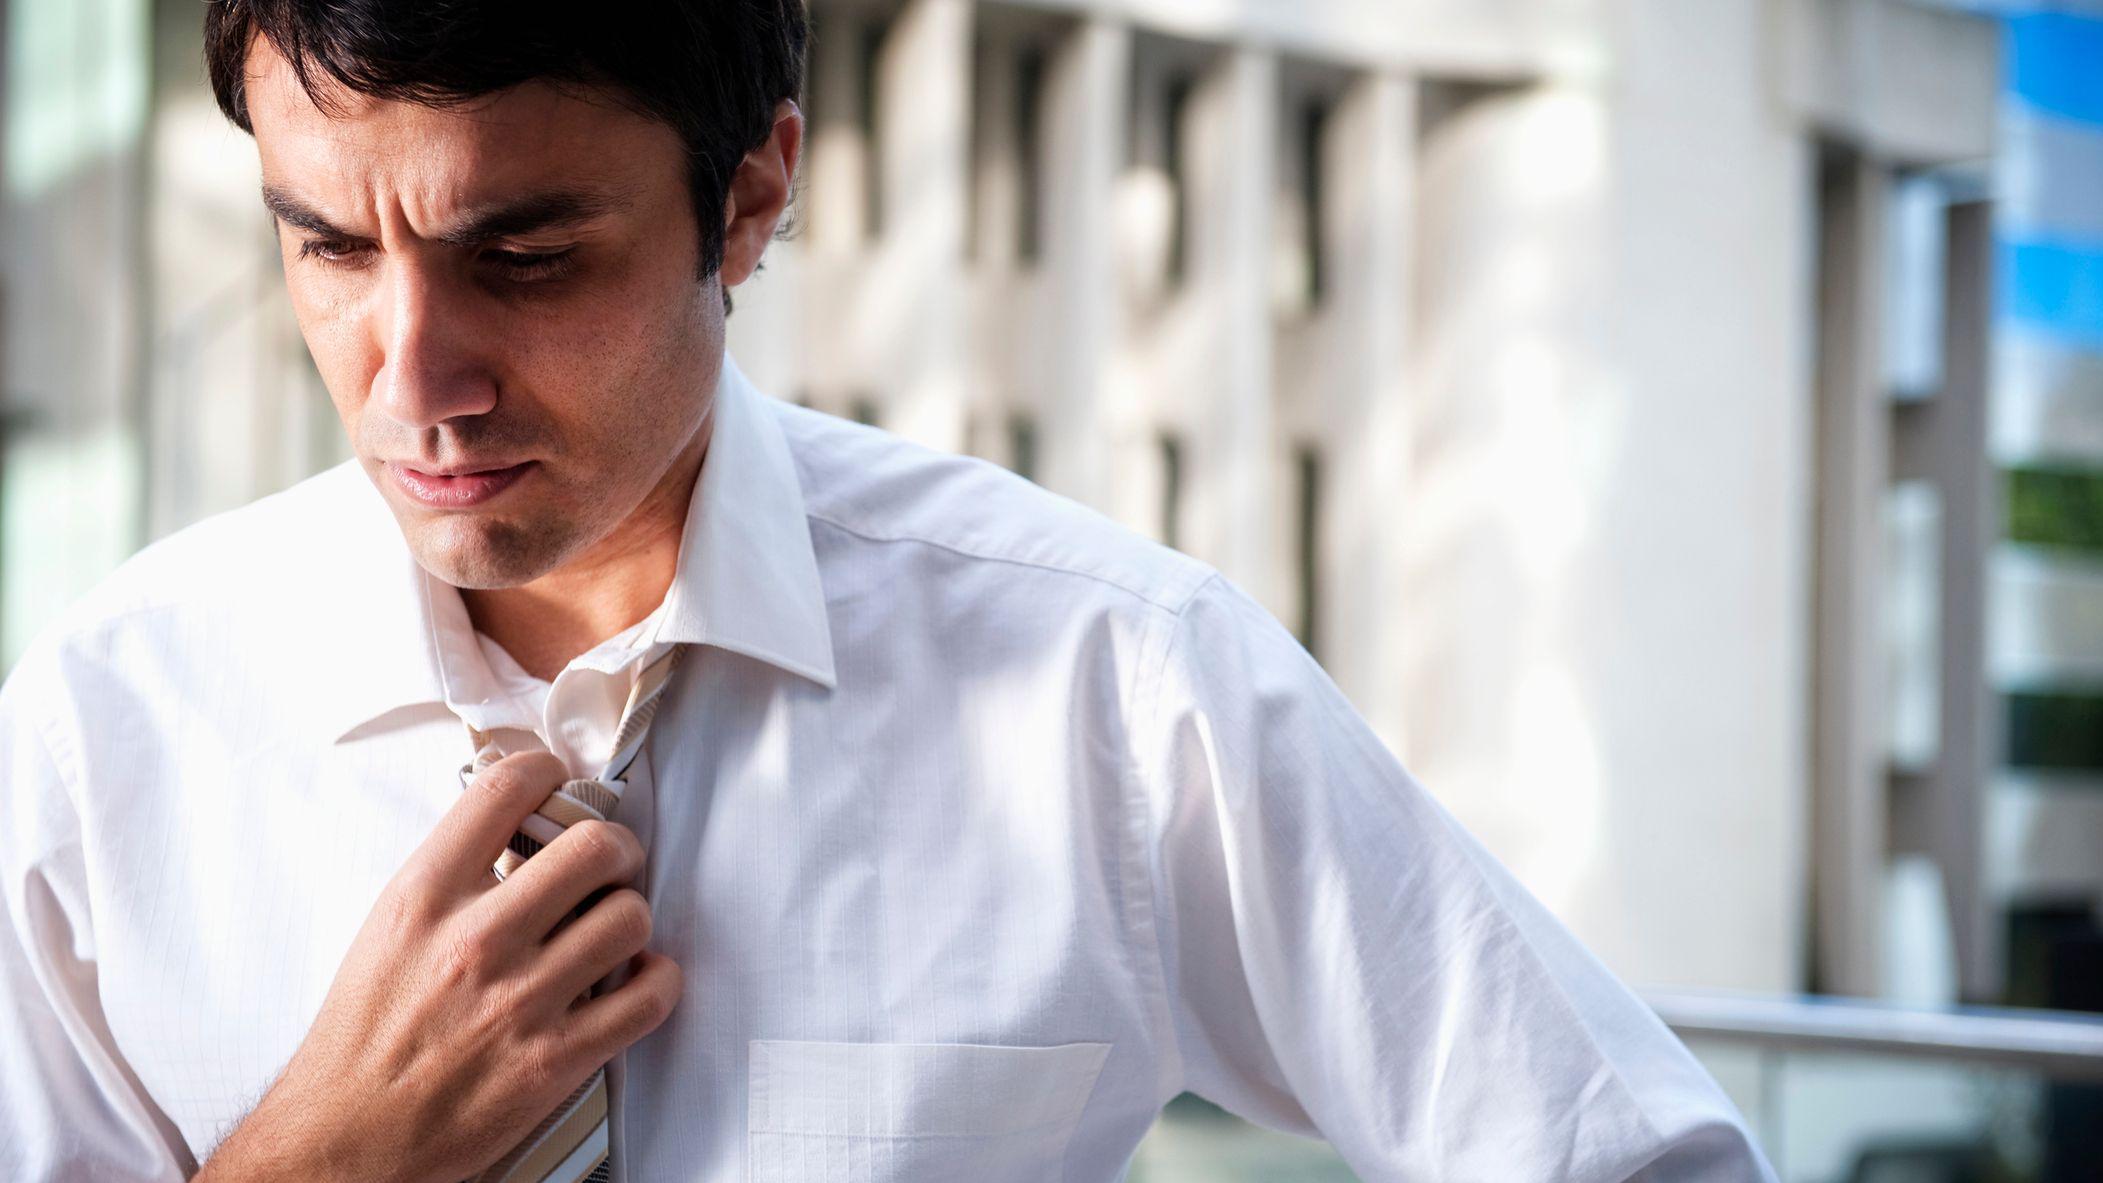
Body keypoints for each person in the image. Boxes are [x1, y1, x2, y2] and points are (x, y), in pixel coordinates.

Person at [0, 2, 1776, 1180]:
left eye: (524, 256)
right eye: (325, 247)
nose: (412, 381)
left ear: (753, 195)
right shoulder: (103, 730)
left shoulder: (1111, 684)